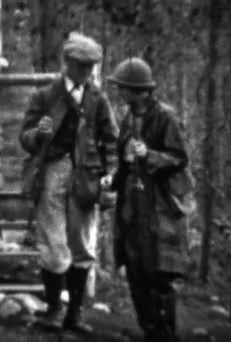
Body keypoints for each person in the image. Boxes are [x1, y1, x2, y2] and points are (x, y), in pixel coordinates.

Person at [19, 32, 118, 334]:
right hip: (51, 172)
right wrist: (39, 133)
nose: (88, 72)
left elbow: (111, 140)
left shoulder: (98, 98)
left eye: (91, 67)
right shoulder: (45, 96)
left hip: (86, 177)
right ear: (68, 64)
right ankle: (53, 311)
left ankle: (75, 314)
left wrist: (110, 173)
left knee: (83, 243)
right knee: (52, 241)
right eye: (82, 66)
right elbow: (25, 139)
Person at [107, 57, 191, 342]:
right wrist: (114, 179)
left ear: (138, 89)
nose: (119, 92)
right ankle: (149, 329)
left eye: (123, 88)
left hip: (159, 207)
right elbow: (123, 160)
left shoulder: (165, 116)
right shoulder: (128, 118)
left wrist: (150, 156)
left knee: (159, 274)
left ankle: (165, 334)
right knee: (135, 271)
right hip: (131, 205)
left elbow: (179, 158)